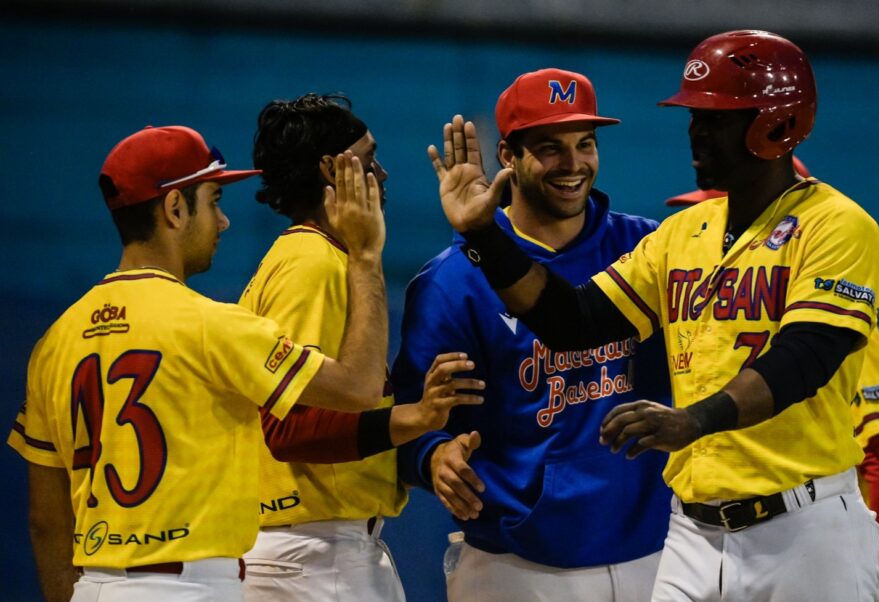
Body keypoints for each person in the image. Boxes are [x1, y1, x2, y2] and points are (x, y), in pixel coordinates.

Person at [429, 30, 879, 601]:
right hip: (692, 534)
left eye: (715, 120)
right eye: (694, 117)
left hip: (804, 530)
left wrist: (693, 420)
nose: (695, 134)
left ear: (776, 123)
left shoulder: (837, 225)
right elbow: (574, 322)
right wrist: (483, 237)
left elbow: (806, 356)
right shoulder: (682, 233)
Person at [7, 124, 390, 602]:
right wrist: (366, 254)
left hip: (95, 587)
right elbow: (358, 388)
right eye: (213, 200)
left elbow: (45, 521)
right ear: (174, 209)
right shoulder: (212, 325)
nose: (223, 221)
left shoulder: (54, 341)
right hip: (191, 588)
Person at [393, 68, 672, 602]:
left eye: (585, 144)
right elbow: (404, 421)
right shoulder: (453, 281)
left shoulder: (649, 247)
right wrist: (431, 457)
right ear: (507, 156)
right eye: (549, 147)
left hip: (656, 552)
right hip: (518, 567)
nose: (573, 165)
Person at [239, 93, 484, 602]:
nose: (385, 175)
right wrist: (417, 418)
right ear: (333, 170)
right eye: (370, 159)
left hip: (319, 551)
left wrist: (431, 454)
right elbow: (291, 430)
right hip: (311, 556)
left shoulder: (309, 258)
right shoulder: (312, 264)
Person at [667, 160, 879, 602]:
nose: (721, 233)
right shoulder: (698, 312)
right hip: (708, 539)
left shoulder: (838, 323)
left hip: (806, 531)